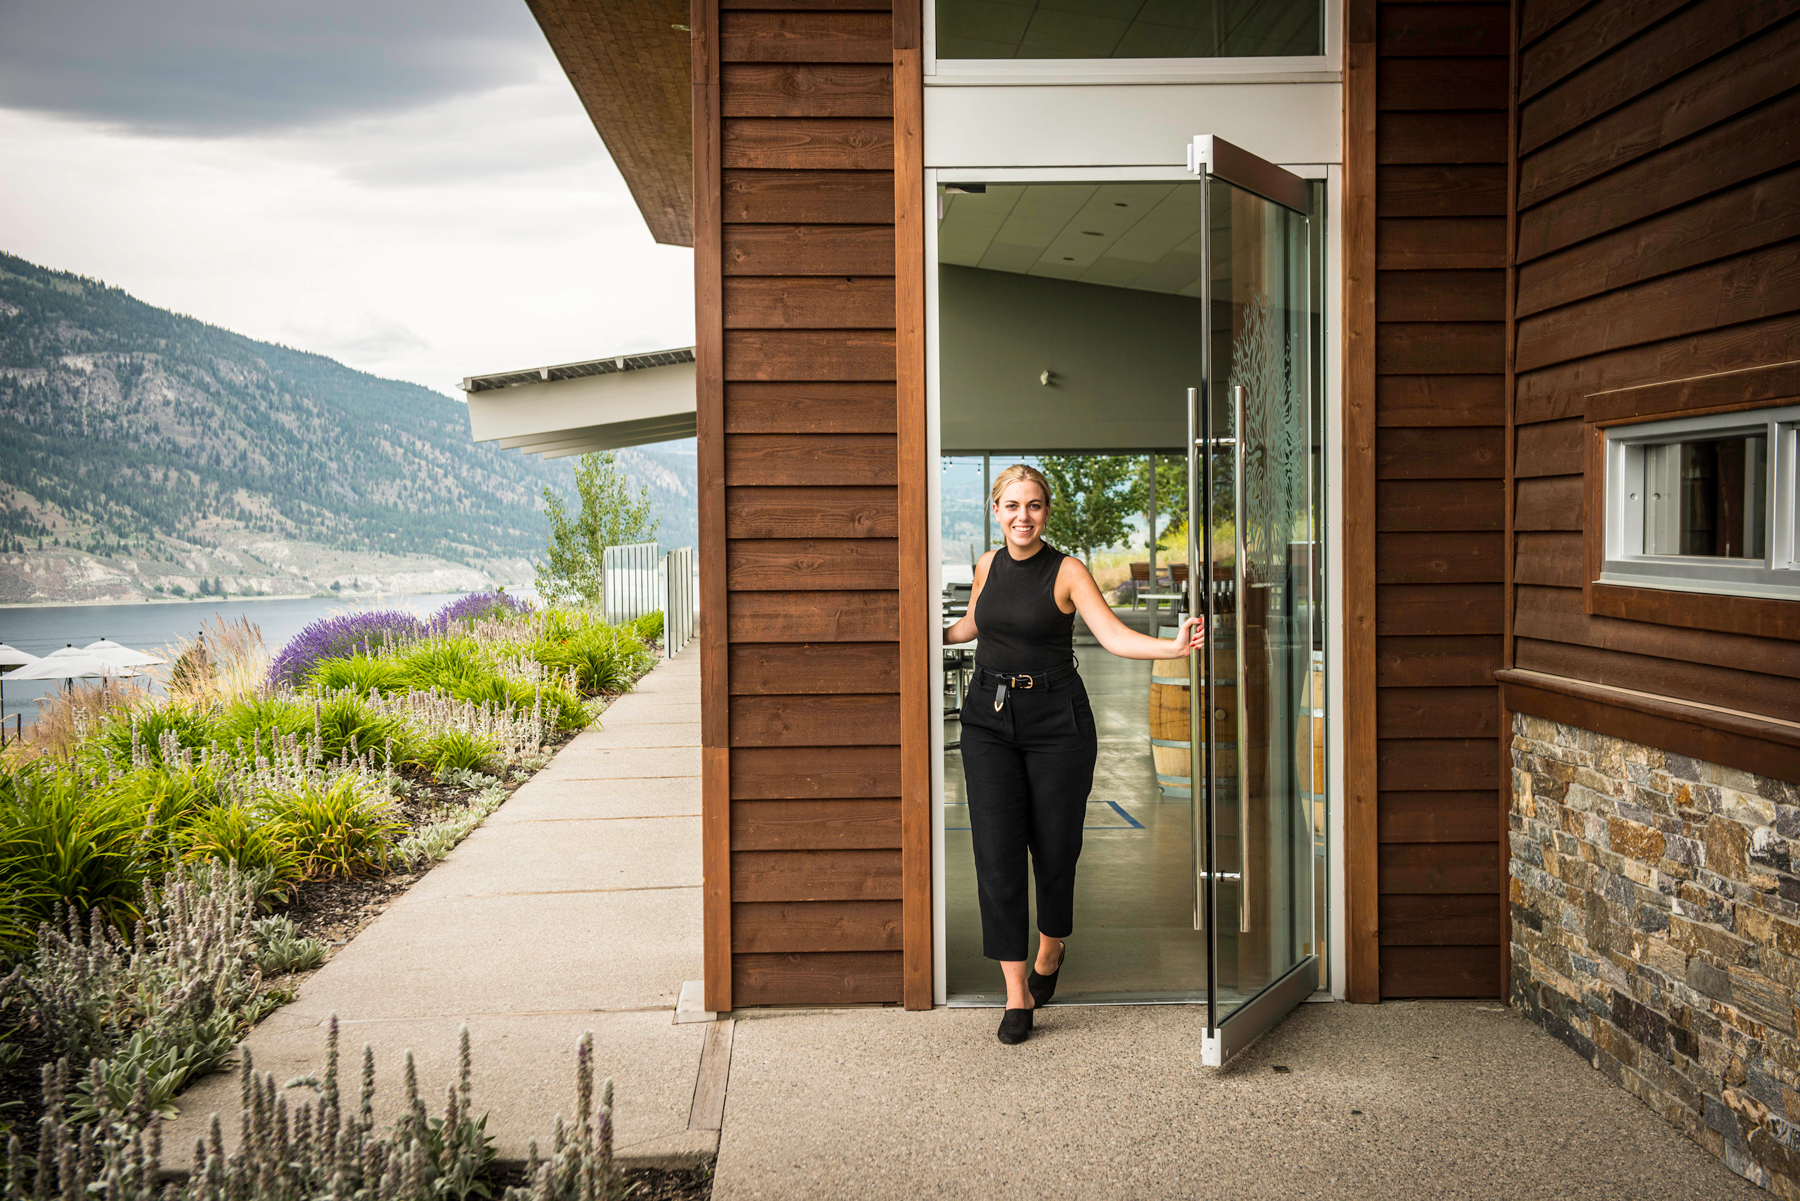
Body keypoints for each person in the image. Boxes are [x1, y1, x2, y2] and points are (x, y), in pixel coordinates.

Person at [945, 463, 1204, 1045]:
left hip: (1057, 722)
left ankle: (1052, 943)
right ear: (995, 510)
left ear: (1046, 512)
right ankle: (1016, 994)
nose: (1022, 516)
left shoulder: (1066, 571)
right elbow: (971, 626)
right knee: (997, 851)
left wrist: (1174, 644)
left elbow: (1111, 635)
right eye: (1012, 505)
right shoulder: (986, 565)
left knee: (1056, 850)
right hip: (988, 719)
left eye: (1033, 505)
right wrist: (926, 631)